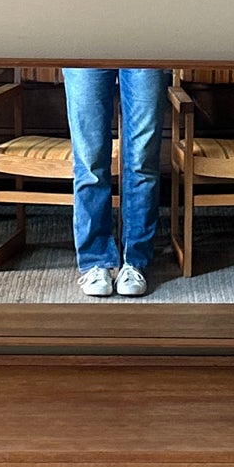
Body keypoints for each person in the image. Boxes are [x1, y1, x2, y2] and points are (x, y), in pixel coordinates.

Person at [61, 67, 167, 296]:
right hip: (85, 42)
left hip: (148, 41)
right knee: (90, 163)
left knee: (142, 160)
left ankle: (135, 261)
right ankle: (95, 262)